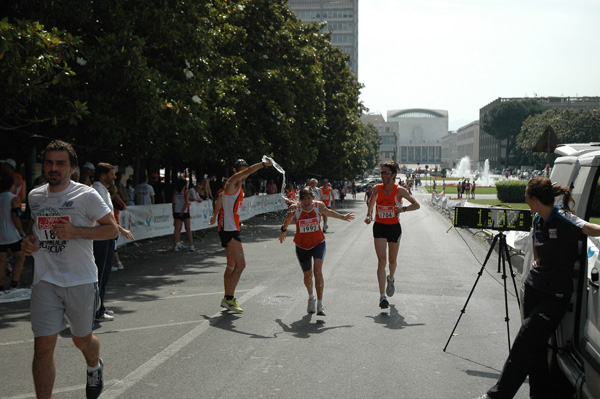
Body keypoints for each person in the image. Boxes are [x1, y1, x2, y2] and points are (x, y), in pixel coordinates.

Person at [476, 177, 600, 399]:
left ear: (532, 198)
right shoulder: (536, 219)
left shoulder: (564, 218)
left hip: (555, 297)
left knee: (525, 340)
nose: (525, 200)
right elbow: (536, 241)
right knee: (536, 350)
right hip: (534, 289)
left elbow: (590, 228)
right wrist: (537, 258)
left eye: (526, 196)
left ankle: (497, 395)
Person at [23, 140, 119, 399]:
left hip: (80, 281)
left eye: (60, 163)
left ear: (72, 168)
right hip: (45, 280)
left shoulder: (86, 195)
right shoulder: (35, 196)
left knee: (81, 339)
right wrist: (29, 241)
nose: (54, 168)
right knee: (43, 347)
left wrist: (77, 231)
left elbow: (111, 229)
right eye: (49, 162)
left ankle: (94, 366)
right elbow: (33, 228)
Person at [209, 158, 274, 313]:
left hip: (229, 228)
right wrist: (264, 164)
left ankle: (227, 297)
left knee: (231, 265)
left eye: (245, 171)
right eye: (242, 171)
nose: (245, 174)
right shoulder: (232, 182)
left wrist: (214, 215)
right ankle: (229, 298)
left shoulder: (237, 186)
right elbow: (247, 172)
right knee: (241, 264)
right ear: (235, 171)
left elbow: (219, 198)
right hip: (229, 230)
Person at [279, 187, 354, 315]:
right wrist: (283, 231)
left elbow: (328, 212)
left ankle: (320, 304)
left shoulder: (318, 206)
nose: (306, 202)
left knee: (317, 271)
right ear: (300, 200)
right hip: (302, 245)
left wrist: (343, 217)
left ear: (313, 198)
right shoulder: (295, 208)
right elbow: (288, 219)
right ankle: (311, 297)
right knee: (307, 275)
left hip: (318, 243)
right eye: (303, 199)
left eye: (309, 198)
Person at [364, 161, 420, 309]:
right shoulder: (377, 188)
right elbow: (372, 202)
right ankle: (382, 296)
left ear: (393, 175)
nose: (383, 175)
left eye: (386, 173)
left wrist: (403, 209)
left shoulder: (400, 190)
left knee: (392, 261)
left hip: (394, 227)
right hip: (380, 227)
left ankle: (391, 278)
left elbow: (417, 205)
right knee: (381, 261)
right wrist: (369, 215)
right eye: (382, 173)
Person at [92, 163, 134, 322]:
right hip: (101, 238)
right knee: (100, 275)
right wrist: (122, 229)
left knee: (103, 274)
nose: (115, 177)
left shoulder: (103, 190)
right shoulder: (97, 191)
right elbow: (104, 218)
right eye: (112, 174)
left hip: (107, 237)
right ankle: (97, 311)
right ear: (103, 176)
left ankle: (99, 305)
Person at [0, 173, 25, 290]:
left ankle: (1, 285)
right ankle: (14, 282)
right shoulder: (13, 198)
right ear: (12, 185)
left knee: (1, 261)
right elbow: (15, 216)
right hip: (12, 235)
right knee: (20, 257)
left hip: (0, 235)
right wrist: (21, 233)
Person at [172, 177, 194, 252]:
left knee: (177, 229)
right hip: (185, 212)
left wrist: (173, 212)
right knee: (188, 228)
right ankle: (191, 245)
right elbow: (186, 202)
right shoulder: (186, 192)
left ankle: (175, 246)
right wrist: (182, 212)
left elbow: (173, 203)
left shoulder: (175, 192)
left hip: (177, 211)